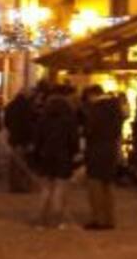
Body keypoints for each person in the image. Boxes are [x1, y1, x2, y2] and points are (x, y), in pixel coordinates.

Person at [33, 86, 78, 228]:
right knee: (60, 189)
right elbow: (73, 141)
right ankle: (58, 221)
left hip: (46, 156)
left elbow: (37, 140)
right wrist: (73, 153)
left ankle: (41, 221)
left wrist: (38, 154)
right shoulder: (69, 121)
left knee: (45, 190)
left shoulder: (42, 120)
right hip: (63, 157)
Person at [82, 85, 121, 230]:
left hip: (96, 150)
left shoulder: (96, 109)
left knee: (95, 185)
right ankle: (109, 218)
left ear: (92, 95)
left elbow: (90, 130)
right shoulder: (115, 107)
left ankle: (98, 219)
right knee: (108, 185)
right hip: (111, 149)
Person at [3, 88, 37, 193]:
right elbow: (28, 124)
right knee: (22, 163)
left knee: (13, 163)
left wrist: (11, 130)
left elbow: (6, 121)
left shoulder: (10, 105)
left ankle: (13, 185)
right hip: (23, 139)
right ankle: (20, 186)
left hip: (13, 138)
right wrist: (30, 139)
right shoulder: (26, 106)